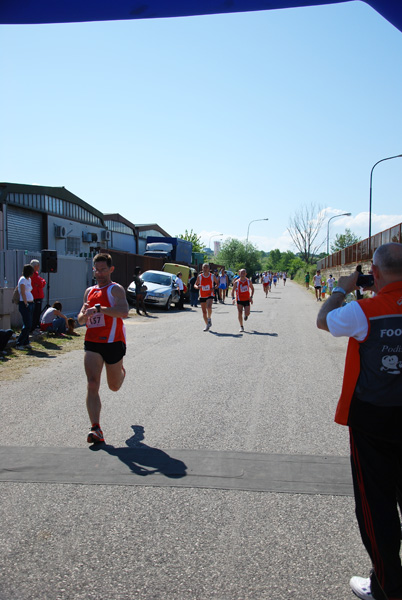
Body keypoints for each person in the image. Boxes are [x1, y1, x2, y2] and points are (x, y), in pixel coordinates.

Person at [316, 243, 402, 600]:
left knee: (377, 507)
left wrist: (341, 288)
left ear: (375, 274)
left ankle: (387, 589)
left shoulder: (363, 311)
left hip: (373, 421)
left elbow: (323, 320)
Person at [77, 253, 129, 444]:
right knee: (92, 383)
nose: (99, 273)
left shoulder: (115, 290)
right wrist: (85, 314)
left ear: (111, 269)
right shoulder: (89, 291)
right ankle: (95, 428)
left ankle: (121, 372)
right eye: (96, 270)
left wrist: (99, 309)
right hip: (92, 343)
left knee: (114, 386)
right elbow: (80, 320)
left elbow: (124, 312)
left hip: (113, 342)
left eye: (103, 269)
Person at [15, 264, 34, 350]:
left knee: (29, 323)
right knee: (27, 325)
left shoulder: (29, 280)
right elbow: (22, 292)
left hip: (30, 303)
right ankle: (19, 343)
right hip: (24, 304)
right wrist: (26, 303)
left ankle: (26, 342)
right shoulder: (22, 279)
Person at [194, 263, 217, 331]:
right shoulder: (200, 276)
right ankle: (207, 324)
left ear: (209, 269)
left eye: (206, 267)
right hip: (202, 295)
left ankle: (209, 318)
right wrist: (198, 287)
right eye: (204, 267)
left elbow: (217, 284)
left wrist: (214, 287)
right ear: (202, 268)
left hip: (210, 294)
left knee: (209, 307)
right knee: (204, 312)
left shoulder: (212, 276)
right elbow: (195, 285)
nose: (205, 269)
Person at [30, 259, 46, 332]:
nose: (39, 267)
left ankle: (35, 325)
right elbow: (40, 283)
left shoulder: (36, 274)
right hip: (36, 296)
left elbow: (42, 282)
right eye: (38, 265)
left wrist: (42, 282)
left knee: (37, 312)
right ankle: (33, 326)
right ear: (35, 266)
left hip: (38, 295)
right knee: (36, 312)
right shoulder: (33, 275)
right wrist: (41, 282)